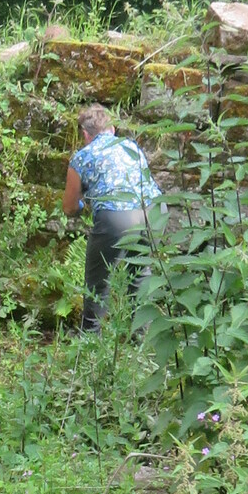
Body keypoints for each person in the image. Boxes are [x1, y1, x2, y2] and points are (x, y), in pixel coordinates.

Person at [63, 102, 163, 332]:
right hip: (155, 212)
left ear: (85, 134)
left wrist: (82, 204)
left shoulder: (82, 157)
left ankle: (90, 339)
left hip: (117, 217)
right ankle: (142, 339)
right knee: (140, 274)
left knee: (98, 283)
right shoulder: (130, 145)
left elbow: (68, 207)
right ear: (112, 129)